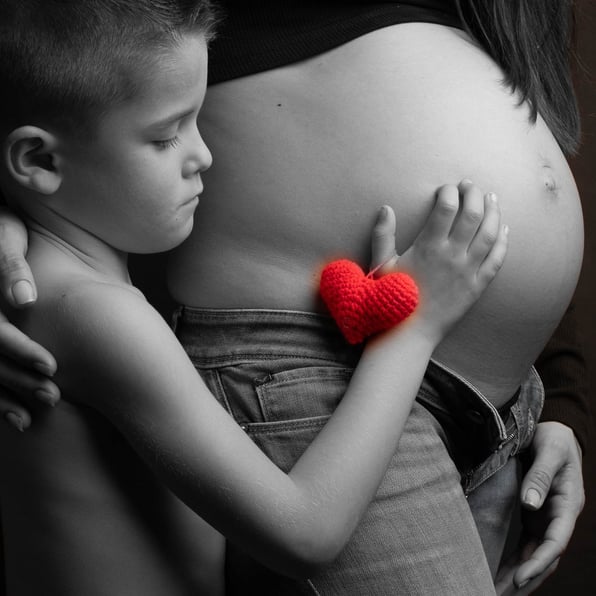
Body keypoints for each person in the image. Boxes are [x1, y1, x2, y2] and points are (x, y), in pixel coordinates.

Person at [0, 0, 588, 594]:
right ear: (37, 160)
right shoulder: (94, 314)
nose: (204, 155)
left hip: (476, 404)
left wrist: (557, 389)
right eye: (165, 136)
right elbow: (305, 531)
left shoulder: (90, 298)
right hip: (316, 374)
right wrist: (415, 324)